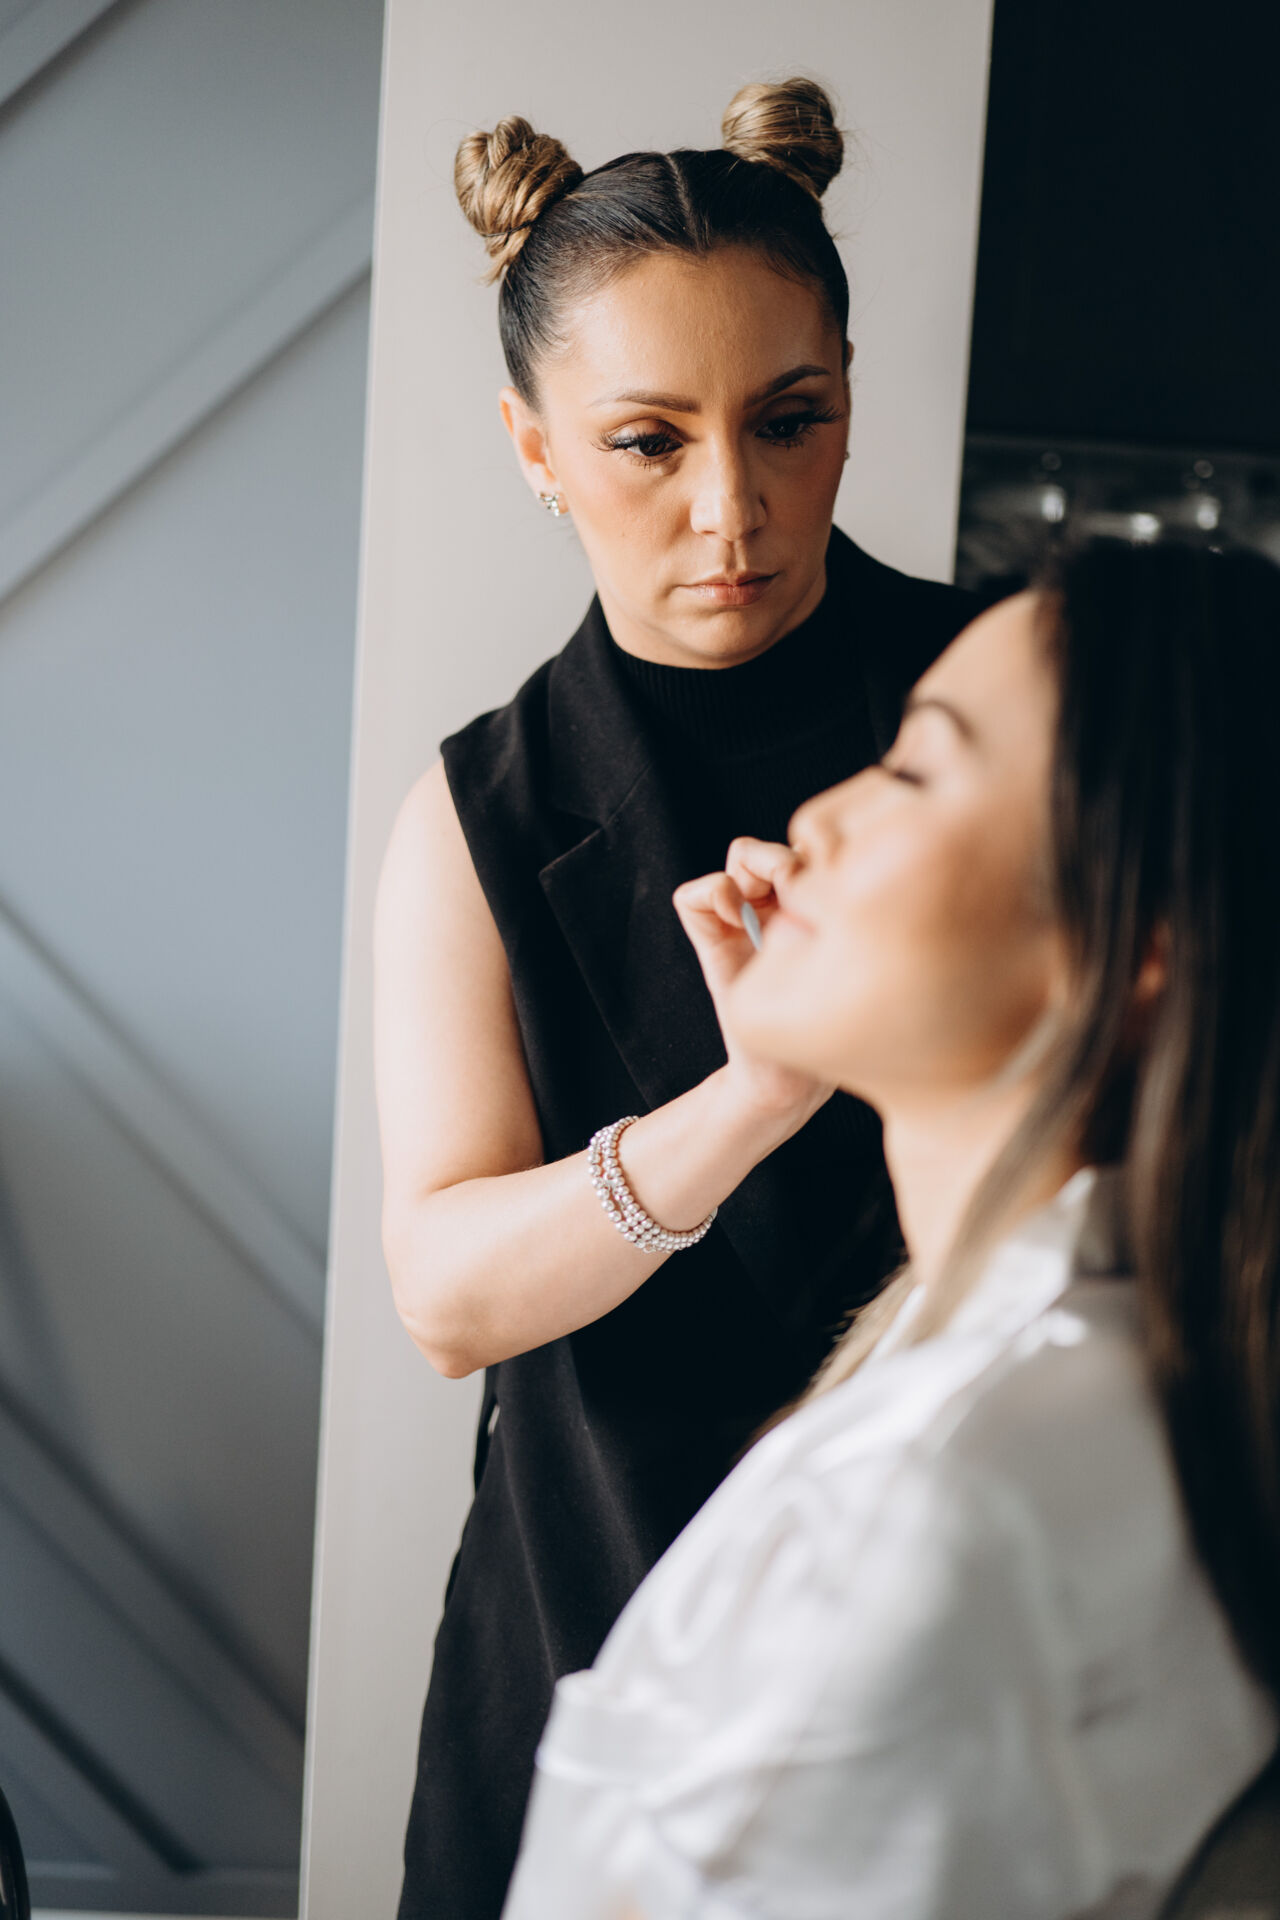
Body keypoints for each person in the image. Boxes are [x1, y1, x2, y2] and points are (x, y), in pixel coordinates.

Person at [375, 77, 978, 1920]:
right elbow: (447, 1296)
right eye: (648, 441)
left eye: (791, 421)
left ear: (850, 396)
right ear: (535, 447)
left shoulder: (1006, 706)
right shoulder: (480, 810)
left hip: (954, 1632)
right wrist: (751, 1098)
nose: (734, 509)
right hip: (587, 1607)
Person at [502, 540, 1280, 1920]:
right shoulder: (1127, 1365)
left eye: (916, 770)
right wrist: (759, 1085)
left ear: (1143, 935)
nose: (816, 820)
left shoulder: (928, 1512)